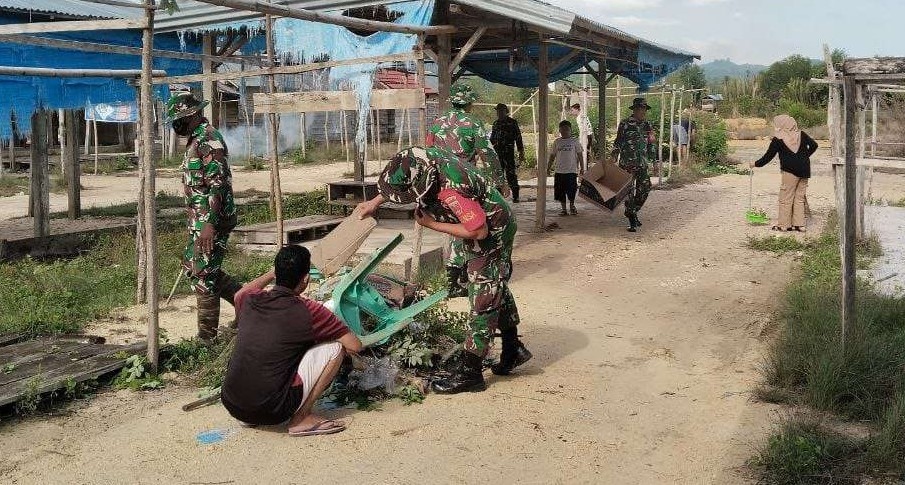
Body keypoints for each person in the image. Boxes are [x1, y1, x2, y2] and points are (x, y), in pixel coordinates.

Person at [356, 146, 531, 393]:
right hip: (480, 220)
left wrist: (431, 224)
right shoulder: (422, 159)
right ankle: (513, 349)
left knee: (483, 292)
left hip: (493, 230)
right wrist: (374, 202)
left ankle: (471, 372)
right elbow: (403, 182)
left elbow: (478, 231)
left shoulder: (452, 191)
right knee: (489, 284)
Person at [221, 246, 363, 436]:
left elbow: (239, 293)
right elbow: (355, 346)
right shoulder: (310, 310)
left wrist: (273, 273)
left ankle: (250, 416)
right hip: (274, 410)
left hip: (233, 404)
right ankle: (302, 418)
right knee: (335, 348)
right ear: (305, 279)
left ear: (277, 273)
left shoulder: (249, 299)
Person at [167, 91, 242, 341]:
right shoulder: (195, 139)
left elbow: (219, 184)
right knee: (196, 268)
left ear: (194, 114)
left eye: (180, 119)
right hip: (200, 220)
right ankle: (247, 305)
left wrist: (210, 223)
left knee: (204, 275)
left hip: (213, 220)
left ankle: (207, 338)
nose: (177, 124)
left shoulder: (209, 139)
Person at [427, 83, 507, 299]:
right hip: (463, 184)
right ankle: (460, 276)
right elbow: (487, 154)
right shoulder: (473, 123)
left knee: (455, 225)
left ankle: (454, 277)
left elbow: (428, 152)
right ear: (469, 102)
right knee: (472, 224)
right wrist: (499, 182)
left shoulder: (437, 123)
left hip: (440, 184)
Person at [750, 115, 818, 232]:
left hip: (789, 171)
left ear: (782, 125)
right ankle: (800, 225)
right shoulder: (801, 134)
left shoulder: (778, 138)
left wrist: (755, 164)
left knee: (786, 197)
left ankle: (784, 225)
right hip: (805, 170)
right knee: (799, 198)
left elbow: (768, 156)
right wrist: (804, 156)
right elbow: (814, 145)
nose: (776, 126)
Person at [612, 97, 657, 232]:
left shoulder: (648, 125)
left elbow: (651, 144)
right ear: (635, 109)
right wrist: (614, 156)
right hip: (627, 164)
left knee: (645, 188)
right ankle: (632, 219)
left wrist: (655, 162)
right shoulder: (625, 124)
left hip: (642, 163)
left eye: (645, 109)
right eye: (641, 109)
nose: (643, 112)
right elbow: (618, 141)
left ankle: (632, 211)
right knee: (628, 192)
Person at [490, 103, 526, 203]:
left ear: (506, 111)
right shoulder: (496, 123)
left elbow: (518, 138)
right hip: (497, 154)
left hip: (508, 154)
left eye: (501, 111)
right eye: (498, 111)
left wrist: (521, 152)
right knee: (498, 174)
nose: (499, 113)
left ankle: (515, 196)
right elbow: (492, 139)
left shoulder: (512, 122)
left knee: (511, 175)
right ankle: (499, 197)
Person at [548, 120, 583, 216]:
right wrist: (548, 168)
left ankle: (572, 206)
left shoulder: (575, 141)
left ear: (570, 130)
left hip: (571, 171)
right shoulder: (557, 142)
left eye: (567, 129)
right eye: (562, 129)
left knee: (572, 190)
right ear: (559, 130)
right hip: (559, 171)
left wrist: (582, 168)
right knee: (560, 192)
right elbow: (552, 156)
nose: (565, 131)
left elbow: (580, 155)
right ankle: (564, 209)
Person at [570, 102, 594, 168]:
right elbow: (589, 127)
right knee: (586, 152)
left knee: (581, 152)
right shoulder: (584, 115)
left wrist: (581, 139)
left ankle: (581, 167)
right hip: (589, 135)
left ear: (577, 109)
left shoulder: (579, 117)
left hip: (585, 136)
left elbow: (582, 129)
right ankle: (584, 167)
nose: (572, 112)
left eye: (572, 110)